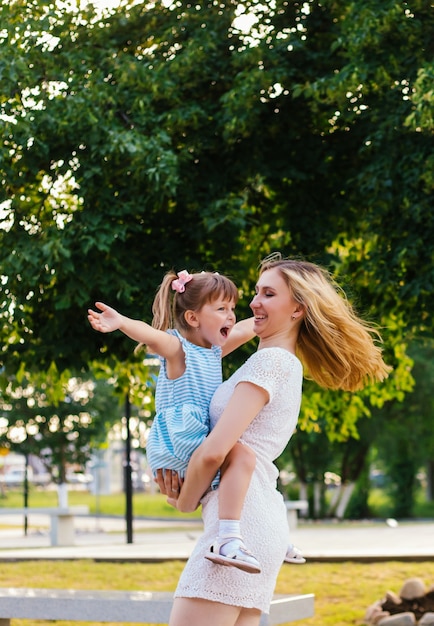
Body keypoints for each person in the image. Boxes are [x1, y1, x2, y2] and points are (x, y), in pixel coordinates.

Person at [156, 253, 392, 626]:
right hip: (256, 528)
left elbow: (215, 450)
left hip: (239, 532)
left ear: (297, 308)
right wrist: (261, 315)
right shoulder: (277, 360)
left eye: (267, 294)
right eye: (255, 293)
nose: (253, 302)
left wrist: (183, 502)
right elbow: (210, 346)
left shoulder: (271, 364)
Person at [88, 269, 262, 573]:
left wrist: (283, 314)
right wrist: (121, 323)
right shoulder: (178, 350)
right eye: (221, 309)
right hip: (181, 439)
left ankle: (255, 529)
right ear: (193, 318)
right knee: (243, 458)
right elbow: (152, 335)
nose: (231, 316)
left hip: (187, 443)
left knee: (244, 468)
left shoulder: (214, 351)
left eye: (232, 308)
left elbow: (249, 329)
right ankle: (230, 537)